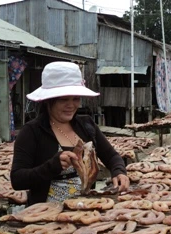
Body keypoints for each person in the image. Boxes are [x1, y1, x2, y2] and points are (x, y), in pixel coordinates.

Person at [10, 61, 130, 206]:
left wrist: (119, 172)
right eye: (64, 100)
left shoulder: (86, 125)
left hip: (85, 210)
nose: (71, 105)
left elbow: (111, 156)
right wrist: (52, 166)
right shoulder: (32, 131)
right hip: (45, 217)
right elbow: (17, 179)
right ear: (48, 101)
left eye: (76, 99)